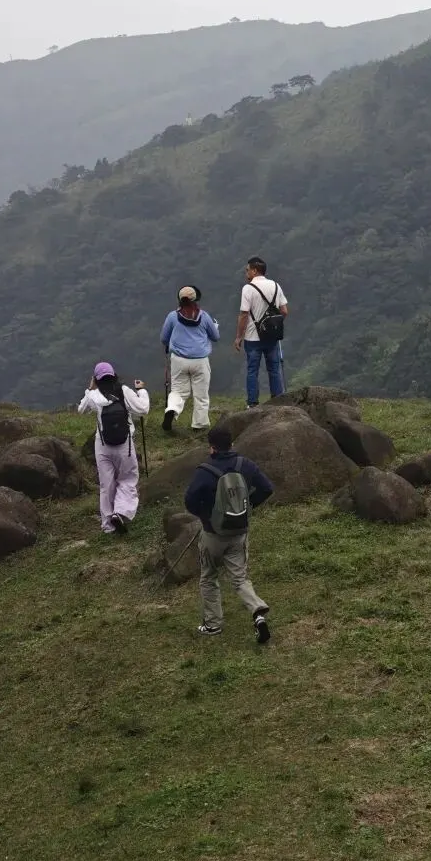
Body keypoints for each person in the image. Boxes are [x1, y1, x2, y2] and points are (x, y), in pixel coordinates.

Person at [183, 424, 274, 642]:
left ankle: (213, 624)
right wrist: (248, 506)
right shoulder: (246, 465)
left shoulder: (204, 470)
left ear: (211, 447)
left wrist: (206, 516)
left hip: (213, 535)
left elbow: (190, 501)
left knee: (208, 578)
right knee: (240, 578)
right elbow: (267, 488)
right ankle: (257, 611)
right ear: (232, 444)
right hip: (239, 533)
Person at [78, 361, 150, 534]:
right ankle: (121, 512)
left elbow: (81, 409)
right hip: (124, 444)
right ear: (114, 375)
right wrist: (141, 390)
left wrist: (90, 388)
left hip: (103, 445)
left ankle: (107, 524)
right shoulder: (124, 391)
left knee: (106, 484)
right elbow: (143, 409)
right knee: (127, 478)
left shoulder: (94, 395)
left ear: (96, 379)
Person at [160, 285, 220, 434]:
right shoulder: (204, 316)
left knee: (178, 391)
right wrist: (215, 327)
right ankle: (199, 425)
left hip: (179, 360)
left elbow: (164, 338)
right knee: (201, 395)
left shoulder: (173, 316)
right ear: (196, 298)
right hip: (200, 361)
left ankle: (172, 409)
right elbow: (215, 337)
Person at [234, 257, 288, 408]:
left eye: (247, 270)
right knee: (274, 369)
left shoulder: (248, 288)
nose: (246, 273)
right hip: (272, 337)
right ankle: (277, 400)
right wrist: (273, 324)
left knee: (252, 370)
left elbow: (244, 314)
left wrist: (239, 337)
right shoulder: (276, 286)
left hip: (253, 337)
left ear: (254, 270)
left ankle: (253, 403)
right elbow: (284, 311)